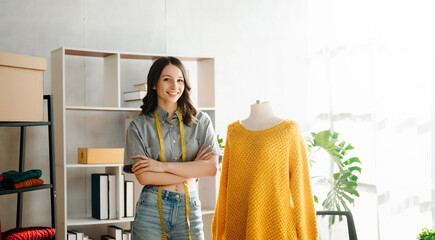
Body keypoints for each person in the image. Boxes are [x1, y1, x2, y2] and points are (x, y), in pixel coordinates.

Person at [124, 56, 220, 240]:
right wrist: (195, 168)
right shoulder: (138, 126)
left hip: (189, 208)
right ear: (154, 83)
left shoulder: (201, 121)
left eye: (180, 80)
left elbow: (211, 168)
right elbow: (144, 177)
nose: (174, 87)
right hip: (151, 208)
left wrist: (162, 166)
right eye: (166, 79)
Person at [212, 101, 318, 240]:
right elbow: (225, 184)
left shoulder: (289, 129)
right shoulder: (233, 131)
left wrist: (307, 235)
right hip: (239, 225)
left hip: (277, 223)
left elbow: (301, 186)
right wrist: (219, 231)